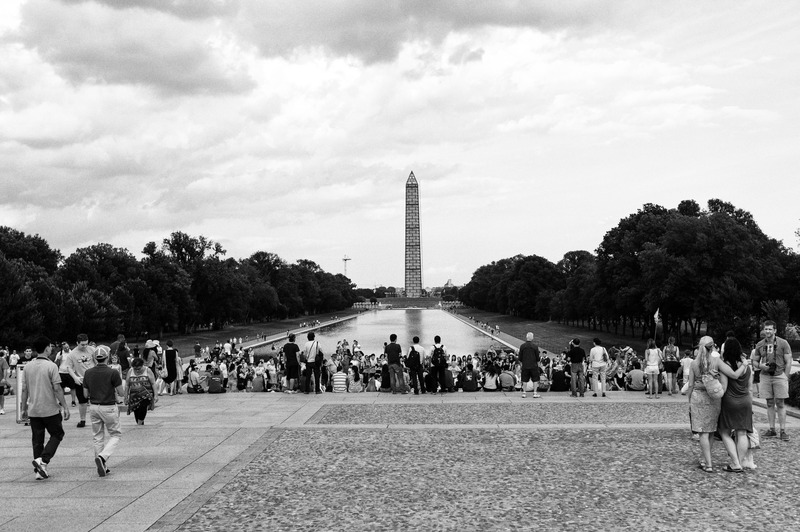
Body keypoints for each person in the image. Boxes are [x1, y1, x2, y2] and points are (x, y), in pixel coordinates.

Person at [687, 335, 747, 473]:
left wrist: (689, 401)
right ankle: (706, 461)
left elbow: (690, 385)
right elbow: (733, 375)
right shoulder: (716, 361)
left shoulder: (694, 364)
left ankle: (708, 463)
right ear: (713, 346)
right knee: (711, 431)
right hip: (714, 399)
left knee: (702, 432)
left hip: (698, 397)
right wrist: (744, 365)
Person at [20, 336, 70, 480]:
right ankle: (43, 460)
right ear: (47, 348)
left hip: (34, 409)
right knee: (57, 434)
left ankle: (39, 470)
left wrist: (23, 408)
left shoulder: (28, 366)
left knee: (37, 439)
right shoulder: (51, 366)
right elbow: (57, 388)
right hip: (49, 408)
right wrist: (65, 406)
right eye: (50, 347)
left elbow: (24, 389)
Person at [82, 345, 124, 477]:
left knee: (98, 437)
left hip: (94, 406)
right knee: (115, 434)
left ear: (95, 358)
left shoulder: (88, 373)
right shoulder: (113, 372)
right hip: (109, 406)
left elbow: (84, 395)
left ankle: (102, 466)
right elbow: (121, 392)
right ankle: (103, 457)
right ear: (107, 358)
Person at [751, 320, 792, 440]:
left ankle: (783, 430)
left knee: (780, 403)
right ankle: (772, 429)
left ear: (775, 330)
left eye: (770, 329)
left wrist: (786, 376)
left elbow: (789, 361)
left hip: (779, 375)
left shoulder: (783, 343)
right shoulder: (759, 344)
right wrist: (760, 366)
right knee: (769, 403)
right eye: (766, 329)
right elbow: (754, 361)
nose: (767, 331)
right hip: (765, 376)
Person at [717, 337, 752, 473]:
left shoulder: (725, 365)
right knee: (742, 433)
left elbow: (724, 387)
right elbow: (750, 387)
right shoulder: (746, 366)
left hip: (730, 401)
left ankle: (736, 463)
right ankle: (740, 463)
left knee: (724, 432)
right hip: (745, 401)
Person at [62, 333, 96, 428]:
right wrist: (75, 377)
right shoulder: (72, 354)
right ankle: (82, 419)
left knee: (97, 400)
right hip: (81, 379)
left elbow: (97, 361)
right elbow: (68, 367)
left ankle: (98, 418)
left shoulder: (92, 350)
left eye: (86, 344)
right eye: (82, 344)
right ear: (77, 343)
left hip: (93, 378)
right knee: (82, 401)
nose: (85, 346)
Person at [125, 357, 158, 425]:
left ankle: (139, 423)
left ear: (142, 365)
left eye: (139, 369)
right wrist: (126, 396)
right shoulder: (130, 371)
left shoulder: (147, 370)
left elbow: (153, 383)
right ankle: (140, 424)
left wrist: (156, 395)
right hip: (134, 396)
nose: (137, 371)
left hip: (146, 394)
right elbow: (127, 385)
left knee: (143, 407)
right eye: (135, 369)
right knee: (136, 411)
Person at [518, 332, 541, 399]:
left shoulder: (522, 346)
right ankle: (535, 392)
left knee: (524, 379)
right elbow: (537, 357)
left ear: (526, 337)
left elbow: (520, 357)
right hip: (533, 365)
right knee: (535, 379)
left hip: (525, 365)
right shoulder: (535, 346)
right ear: (532, 338)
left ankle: (524, 392)